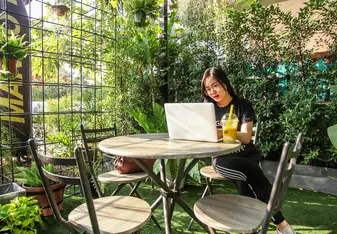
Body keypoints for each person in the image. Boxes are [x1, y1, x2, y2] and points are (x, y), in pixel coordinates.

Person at [201, 67, 296, 234]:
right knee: (250, 172)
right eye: (208, 89)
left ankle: (250, 227)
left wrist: (222, 132)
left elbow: (245, 137)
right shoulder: (207, 109)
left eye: (215, 86)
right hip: (223, 158)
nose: (212, 92)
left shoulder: (243, 105)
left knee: (248, 179)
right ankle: (281, 224)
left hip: (248, 153)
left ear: (225, 83)